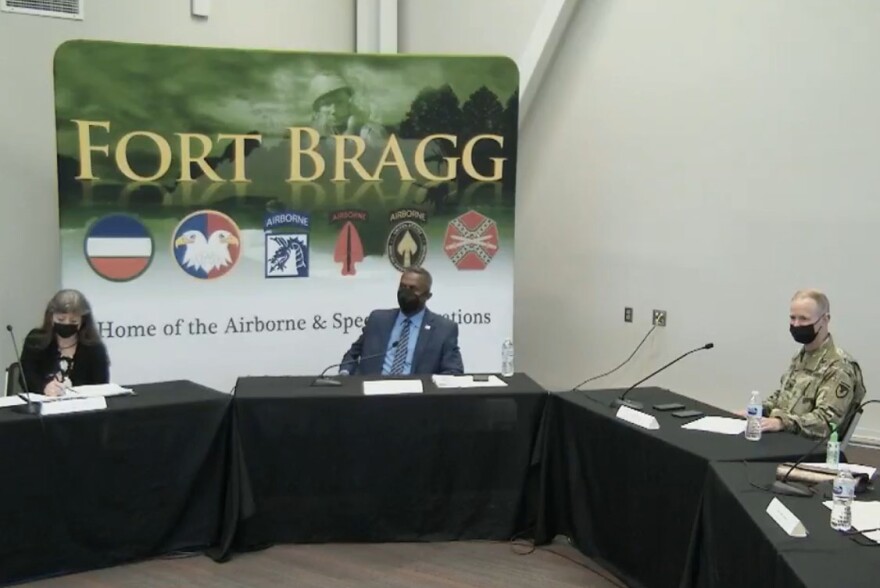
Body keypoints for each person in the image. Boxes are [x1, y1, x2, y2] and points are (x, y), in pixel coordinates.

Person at [740, 289, 866, 439]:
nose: (796, 324)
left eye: (804, 319)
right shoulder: (801, 356)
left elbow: (825, 422)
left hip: (808, 449)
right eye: (792, 318)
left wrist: (782, 422)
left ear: (825, 319)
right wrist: (756, 410)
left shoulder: (839, 367)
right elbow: (782, 397)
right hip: (784, 438)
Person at [340, 267, 464, 376]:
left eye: (412, 288)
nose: (406, 292)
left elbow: (453, 371)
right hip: (373, 395)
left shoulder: (444, 329)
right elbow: (352, 355)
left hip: (416, 398)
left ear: (427, 296)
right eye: (402, 286)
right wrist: (345, 374)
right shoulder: (378, 319)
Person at [19, 289, 110, 397]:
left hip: (82, 409)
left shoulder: (94, 348)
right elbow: (25, 377)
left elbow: (101, 385)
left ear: (83, 321)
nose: (66, 324)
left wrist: (74, 389)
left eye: (73, 321)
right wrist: (44, 388)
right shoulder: (36, 340)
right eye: (61, 319)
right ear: (51, 317)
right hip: (43, 407)